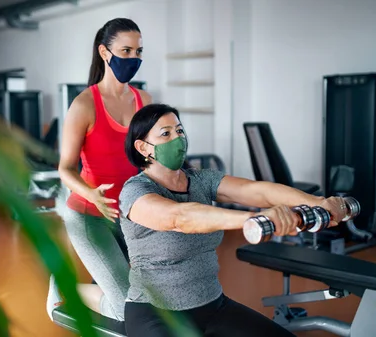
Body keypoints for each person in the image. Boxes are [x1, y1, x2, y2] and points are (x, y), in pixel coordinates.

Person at [118, 103, 347, 336]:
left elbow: (258, 191)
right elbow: (180, 218)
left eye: (179, 130)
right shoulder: (135, 191)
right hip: (157, 315)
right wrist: (254, 218)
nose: (177, 138)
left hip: (214, 306)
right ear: (142, 147)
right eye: (165, 133)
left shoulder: (200, 180)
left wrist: (318, 202)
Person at [46, 17, 152, 322]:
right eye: (127, 50)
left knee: (155, 295)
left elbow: (147, 156)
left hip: (131, 214)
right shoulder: (84, 104)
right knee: (124, 309)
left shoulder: (143, 101)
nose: (134, 59)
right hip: (89, 216)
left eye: (138, 52)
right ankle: (65, 289)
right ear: (105, 53)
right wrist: (91, 193)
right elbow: (65, 168)